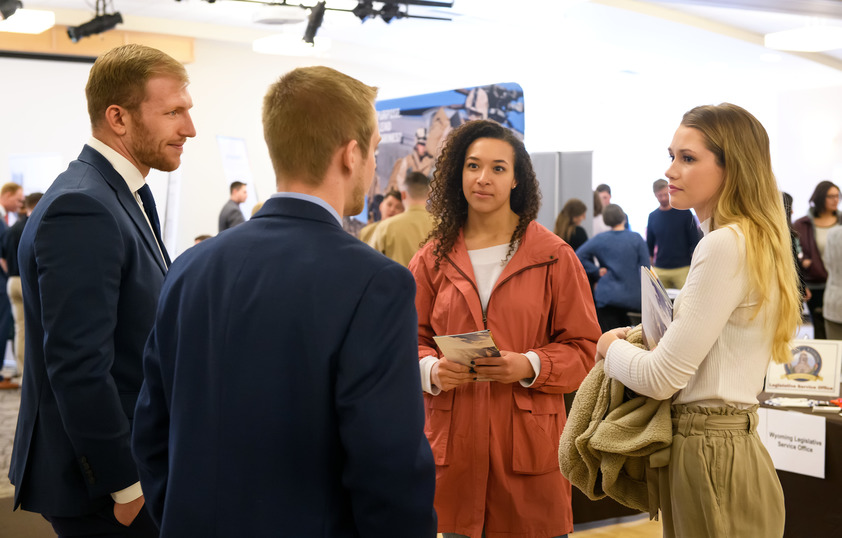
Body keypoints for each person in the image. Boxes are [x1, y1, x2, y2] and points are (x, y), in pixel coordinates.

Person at [132, 65, 437, 537]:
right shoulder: (375, 283)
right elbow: (388, 464)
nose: (375, 167)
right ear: (351, 154)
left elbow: (151, 430)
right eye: (374, 150)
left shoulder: (190, 267)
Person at [9, 43, 195, 537]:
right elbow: (77, 363)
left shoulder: (114, 193)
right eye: (173, 112)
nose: (189, 129)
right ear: (118, 117)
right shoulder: (84, 206)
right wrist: (126, 486)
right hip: (108, 489)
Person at [597, 103, 799, 537]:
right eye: (671, 156)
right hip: (724, 445)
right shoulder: (750, 239)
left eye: (688, 159)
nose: (671, 171)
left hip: (710, 450)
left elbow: (662, 377)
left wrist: (607, 349)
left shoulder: (725, 244)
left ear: (733, 167)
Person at [409, 119, 600, 538]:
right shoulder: (430, 259)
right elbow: (405, 343)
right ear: (458, 173)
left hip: (528, 456)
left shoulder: (553, 256)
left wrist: (530, 364)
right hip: (453, 456)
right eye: (473, 166)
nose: (483, 178)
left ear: (516, 179)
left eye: (498, 168)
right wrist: (432, 371)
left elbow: (585, 350)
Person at [576, 204, 650, 332]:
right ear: (623, 217)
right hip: (633, 298)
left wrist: (596, 271)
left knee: (610, 340)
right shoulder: (636, 238)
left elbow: (578, 256)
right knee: (632, 339)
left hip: (607, 297)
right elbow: (646, 268)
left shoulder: (600, 239)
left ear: (606, 220)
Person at [1, 192, 42, 379]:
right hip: (27, 281)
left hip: (11, 281)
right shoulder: (35, 225)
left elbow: (2, 258)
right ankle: (34, 374)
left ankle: (22, 371)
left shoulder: (12, 228)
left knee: (20, 329)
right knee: (35, 327)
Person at [793, 180, 840, 339]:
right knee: (822, 333)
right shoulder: (802, 224)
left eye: (838, 196)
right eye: (831, 196)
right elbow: (795, 251)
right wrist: (804, 260)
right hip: (815, 284)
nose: (836, 200)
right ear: (820, 198)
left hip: (838, 283)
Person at [369, 171, 435, 266]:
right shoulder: (443, 226)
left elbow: (370, 264)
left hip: (392, 280)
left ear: (403, 195)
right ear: (429, 194)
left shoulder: (386, 227)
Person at [647, 178, 702, 289]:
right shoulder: (652, 216)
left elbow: (694, 241)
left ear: (669, 191)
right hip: (661, 268)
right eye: (659, 195)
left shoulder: (685, 213)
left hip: (683, 267)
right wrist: (651, 266)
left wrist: (695, 266)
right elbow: (650, 244)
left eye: (665, 194)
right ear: (655, 195)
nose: (663, 198)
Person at [388, 127, 435, 192]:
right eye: (421, 144)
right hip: (407, 197)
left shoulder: (432, 163)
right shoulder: (406, 161)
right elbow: (398, 182)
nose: (424, 147)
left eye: (425, 144)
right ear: (416, 144)